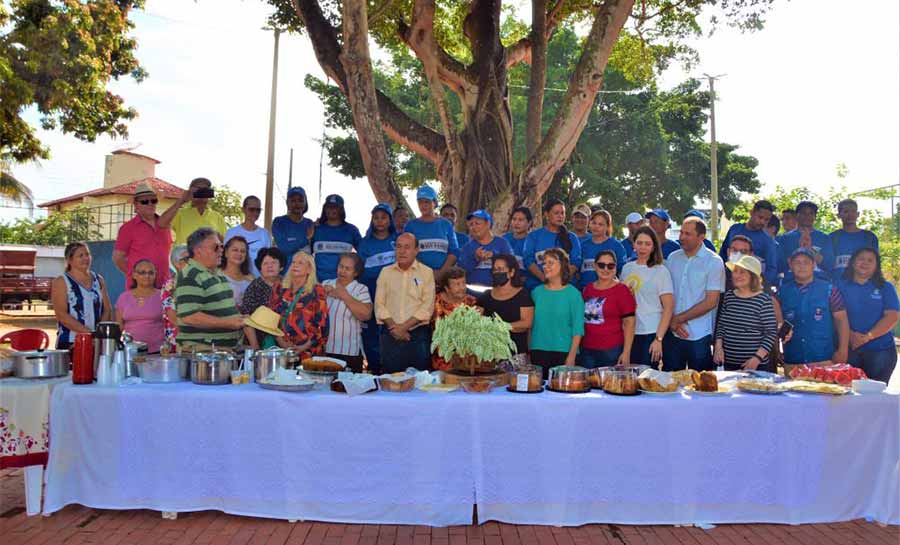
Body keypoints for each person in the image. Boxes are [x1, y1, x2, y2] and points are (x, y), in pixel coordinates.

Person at [663, 217, 725, 371]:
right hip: (672, 332)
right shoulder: (673, 258)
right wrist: (672, 322)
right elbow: (665, 294)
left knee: (700, 386)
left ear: (701, 237)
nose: (681, 237)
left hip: (699, 335)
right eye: (681, 232)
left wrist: (678, 319)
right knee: (670, 383)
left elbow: (711, 301)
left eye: (687, 234)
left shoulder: (714, 262)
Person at [174, 228, 246, 350]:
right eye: (216, 247)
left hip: (221, 350)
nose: (221, 251)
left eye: (222, 246)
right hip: (203, 352)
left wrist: (240, 319)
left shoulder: (217, 273)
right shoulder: (191, 275)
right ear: (198, 251)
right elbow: (190, 317)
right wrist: (228, 323)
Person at [778, 248, 850, 369]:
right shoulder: (781, 292)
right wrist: (776, 350)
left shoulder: (830, 290)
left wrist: (843, 350)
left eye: (806, 262)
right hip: (793, 360)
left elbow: (841, 320)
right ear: (790, 265)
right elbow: (775, 323)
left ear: (814, 265)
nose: (802, 266)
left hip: (823, 359)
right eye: (797, 262)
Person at [374, 233, 436, 372]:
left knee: (418, 382)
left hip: (417, 335)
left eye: (407, 247)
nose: (402, 251)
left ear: (416, 250)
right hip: (390, 333)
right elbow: (379, 304)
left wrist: (404, 328)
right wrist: (395, 328)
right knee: (391, 380)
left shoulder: (426, 273)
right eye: (399, 246)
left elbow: (427, 307)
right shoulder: (385, 272)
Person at [837, 248, 899, 383]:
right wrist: (850, 335)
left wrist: (867, 337)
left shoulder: (885, 287)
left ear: (876, 265)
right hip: (848, 350)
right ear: (853, 262)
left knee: (875, 398)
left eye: (870, 260)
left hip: (880, 352)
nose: (865, 263)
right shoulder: (840, 285)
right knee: (847, 398)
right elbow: (833, 315)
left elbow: (892, 317)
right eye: (861, 259)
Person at [714, 255, 778, 372]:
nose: (737, 275)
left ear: (753, 276)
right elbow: (722, 325)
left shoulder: (763, 300)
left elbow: (770, 333)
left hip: (756, 366)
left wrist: (757, 358)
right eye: (735, 271)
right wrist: (718, 348)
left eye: (742, 272)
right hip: (729, 364)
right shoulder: (729, 296)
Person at [621, 227, 674, 367]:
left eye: (647, 243)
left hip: (651, 332)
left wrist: (659, 339)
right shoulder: (627, 269)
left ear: (654, 246)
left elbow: (668, 307)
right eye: (639, 243)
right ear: (633, 244)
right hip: (630, 332)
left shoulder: (661, 271)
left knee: (647, 378)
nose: (643, 247)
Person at [262, 251, 329, 358]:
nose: (295, 265)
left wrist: (304, 347)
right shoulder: (279, 287)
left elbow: (322, 324)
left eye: (300, 263)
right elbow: (271, 317)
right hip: (281, 349)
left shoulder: (317, 290)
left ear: (309, 269)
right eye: (293, 262)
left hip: (308, 351)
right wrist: (281, 342)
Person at [529, 248, 584, 378]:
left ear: (562, 265)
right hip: (538, 352)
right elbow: (530, 326)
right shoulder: (536, 293)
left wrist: (571, 357)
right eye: (544, 263)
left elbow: (578, 329)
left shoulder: (574, 294)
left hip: (564, 353)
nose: (545, 267)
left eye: (550, 263)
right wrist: (529, 351)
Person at [357, 204, 398, 373]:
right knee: (371, 332)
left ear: (390, 220)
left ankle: (393, 369)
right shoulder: (365, 243)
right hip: (371, 291)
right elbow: (362, 270)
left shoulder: (398, 240)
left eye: (384, 217)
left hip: (395, 293)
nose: (380, 221)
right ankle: (374, 368)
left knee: (392, 329)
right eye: (376, 218)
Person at [113, 181, 174, 289]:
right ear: (136, 206)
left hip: (164, 286)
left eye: (153, 200)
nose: (150, 204)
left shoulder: (165, 225)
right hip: (140, 289)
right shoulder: (127, 228)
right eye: (145, 201)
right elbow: (118, 258)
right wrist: (137, 276)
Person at [51, 242, 112, 350]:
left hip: (96, 342)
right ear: (69, 260)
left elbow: (107, 309)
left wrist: (99, 333)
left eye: (87, 254)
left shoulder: (98, 280)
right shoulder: (61, 281)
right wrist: (89, 333)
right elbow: (61, 315)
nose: (86, 258)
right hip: (70, 342)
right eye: (80, 256)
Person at [581, 250, 636, 368]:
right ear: (595, 266)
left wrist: (626, 352)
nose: (606, 269)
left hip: (612, 351)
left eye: (610, 266)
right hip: (587, 349)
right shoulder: (587, 289)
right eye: (601, 265)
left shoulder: (622, 290)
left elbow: (629, 323)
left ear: (615, 268)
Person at [323, 254, 372, 373]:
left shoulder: (361, 289)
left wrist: (344, 295)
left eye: (347, 269)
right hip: (324, 349)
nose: (343, 271)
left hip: (349, 351)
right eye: (341, 266)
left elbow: (366, 315)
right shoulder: (325, 284)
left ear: (356, 273)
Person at [476, 254, 534, 355]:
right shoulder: (486, 295)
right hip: (488, 353)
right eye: (495, 269)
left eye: (501, 269)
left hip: (515, 353)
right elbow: (476, 318)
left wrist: (502, 326)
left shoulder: (522, 295)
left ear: (511, 272)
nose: (497, 272)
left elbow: (527, 323)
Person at [523, 199, 582, 291]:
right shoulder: (534, 236)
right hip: (538, 287)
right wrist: (544, 278)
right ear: (546, 214)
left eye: (562, 213)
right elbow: (528, 260)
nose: (560, 216)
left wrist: (560, 281)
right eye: (556, 213)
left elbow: (576, 262)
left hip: (565, 288)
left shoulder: (572, 237)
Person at [718, 201, 779, 286]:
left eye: (766, 220)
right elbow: (723, 253)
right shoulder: (734, 229)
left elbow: (771, 269)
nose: (762, 222)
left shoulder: (768, 241)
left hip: (750, 287)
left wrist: (758, 286)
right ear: (751, 212)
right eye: (760, 217)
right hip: (727, 282)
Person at [403, 185, 458, 278]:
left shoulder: (446, 224)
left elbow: (454, 252)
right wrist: (427, 273)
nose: (423, 205)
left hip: (443, 277)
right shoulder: (410, 226)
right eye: (420, 202)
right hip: (418, 277)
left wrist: (441, 273)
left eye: (427, 202)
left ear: (435, 203)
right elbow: (407, 252)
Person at [431, 267, 479, 370]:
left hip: (466, 356)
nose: (462, 287)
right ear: (447, 288)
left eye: (463, 283)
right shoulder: (434, 301)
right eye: (457, 284)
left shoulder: (472, 302)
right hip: (442, 356)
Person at [240, 248, 287, 349]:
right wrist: (256, 348)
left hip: (287, 342)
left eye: (274, 262)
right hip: (260, 342)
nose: (269, 266)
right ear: (260, 268)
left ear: (281, 267)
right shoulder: (254, 287)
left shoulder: (288, 285)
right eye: (265, 263)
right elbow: (246, 318)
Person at [115, 259, 165, 353]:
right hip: (130, 352)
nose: (147, 276)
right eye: (142, 272)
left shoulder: (163, 296)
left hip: (157, 352)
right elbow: (119, 328)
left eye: (151, 273)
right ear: (134, 275)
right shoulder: (123, 297)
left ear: (155, 275)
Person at [778, 200, 834, 280]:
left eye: (811, 213)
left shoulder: (824, 238)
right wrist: (800, 250)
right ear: (797, 216)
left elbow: (829, 265)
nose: (807, 216)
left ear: (815, 217)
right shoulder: (785, 238)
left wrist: (810, 250)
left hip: (819, 283)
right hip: (791, 283)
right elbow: (780, 265)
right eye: (803, 213)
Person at [311, 194, 362, 282]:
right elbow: (307, 253)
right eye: (328, 207)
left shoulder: (351, 230)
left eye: (335, 207)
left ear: (341, 209)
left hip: (343, 283)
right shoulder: (316, 229)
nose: (331, 210)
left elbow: (362, 254)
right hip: (318, 282)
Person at [163, 178, 228, 246]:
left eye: (205, 190)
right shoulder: (180, 214)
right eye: (198, 189)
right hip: (185, 256)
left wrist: (216, 236)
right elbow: (162, 223)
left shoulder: (217, 217)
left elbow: (226, 244)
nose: (201, 193)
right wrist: (181, 200)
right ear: (191, 191)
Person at [458, 209, 512, 287]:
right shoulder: (467, 247)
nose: (474, 227)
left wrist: (494, 257)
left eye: (477, 223)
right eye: (471, 224)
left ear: (488, 224)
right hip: (472, 293)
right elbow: (460, 272)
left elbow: (511, 266)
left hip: (496, 292)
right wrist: (475, 259)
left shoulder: (502, 244)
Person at [830, 199, 879, 277]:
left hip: (864, 284)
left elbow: (876, 264)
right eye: (846, 211)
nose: (850, 215)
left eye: (853, 211)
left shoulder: (869, 237)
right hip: (838, 285)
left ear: (858, 214)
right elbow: (827, 265)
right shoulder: (832, 237)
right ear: (839, 215)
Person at [272, 186, 315, 275]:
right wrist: (306, 238)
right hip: (284, 277)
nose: (297, 204)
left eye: (300, 200)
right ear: (287, 203)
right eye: (293, 200)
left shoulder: (309, 223)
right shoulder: (279, 222)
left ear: (305, 203)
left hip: (305, 278)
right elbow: (284, 248)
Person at [578, 210, 627, 288]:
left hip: (609, 291)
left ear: (607, 227)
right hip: (585, 291)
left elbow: (623, 271)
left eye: (600, 224)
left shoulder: (616, 246)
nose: (596, 226)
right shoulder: (582, 245)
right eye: (594, 223)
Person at [225, 196, 271, 277]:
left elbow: (268, 259)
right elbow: (225, 259)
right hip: (236, 280)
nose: (255, 213)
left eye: (258, 210)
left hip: (259, 281)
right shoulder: (231, 233)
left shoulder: (264, 233)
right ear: (243, 209)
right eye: (251, 209)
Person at [161, 245, 189, 354]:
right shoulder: (170, 285)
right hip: (179, 340)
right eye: (187, 259)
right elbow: (172, 316)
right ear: (176, 263)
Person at [219, 236, 254, 307]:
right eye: (235, 250)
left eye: (243, 251)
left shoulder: (250, 278)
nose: (239, 254)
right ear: (226, 253)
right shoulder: (216, 276)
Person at [503, 206, 532, 278]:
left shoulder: (534, 241)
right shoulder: (504, 239)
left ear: (529, 223)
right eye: (514, 219)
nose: (516, 223)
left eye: (520, 220)